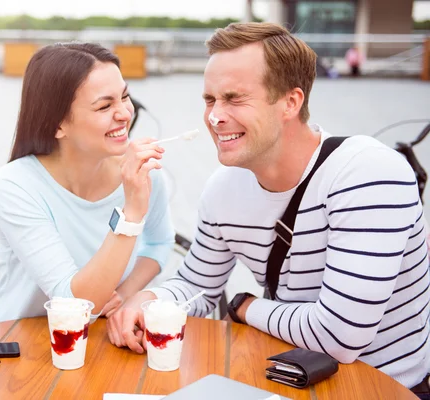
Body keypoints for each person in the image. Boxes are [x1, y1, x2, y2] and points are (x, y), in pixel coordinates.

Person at [107, 23, 430, 394]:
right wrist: (148, 301)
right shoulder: (224, 188)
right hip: (290, 378)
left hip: (384, 389)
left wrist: (245, 306)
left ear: (291, 102)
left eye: (234, 98)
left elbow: (339, 335)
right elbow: (197, 284)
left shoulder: (369, 173)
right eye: (210, 100)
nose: (214, 117)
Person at [0, 42, 175, 325]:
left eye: (125, 97)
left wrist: (124, 293)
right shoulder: (15, 185)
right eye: (105, 106)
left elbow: (159, 242)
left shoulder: (144, 172)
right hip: (18, 344)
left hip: (101, 342)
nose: (124, 113)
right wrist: (131, 214)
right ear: (58, 124)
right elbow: (74, 305)